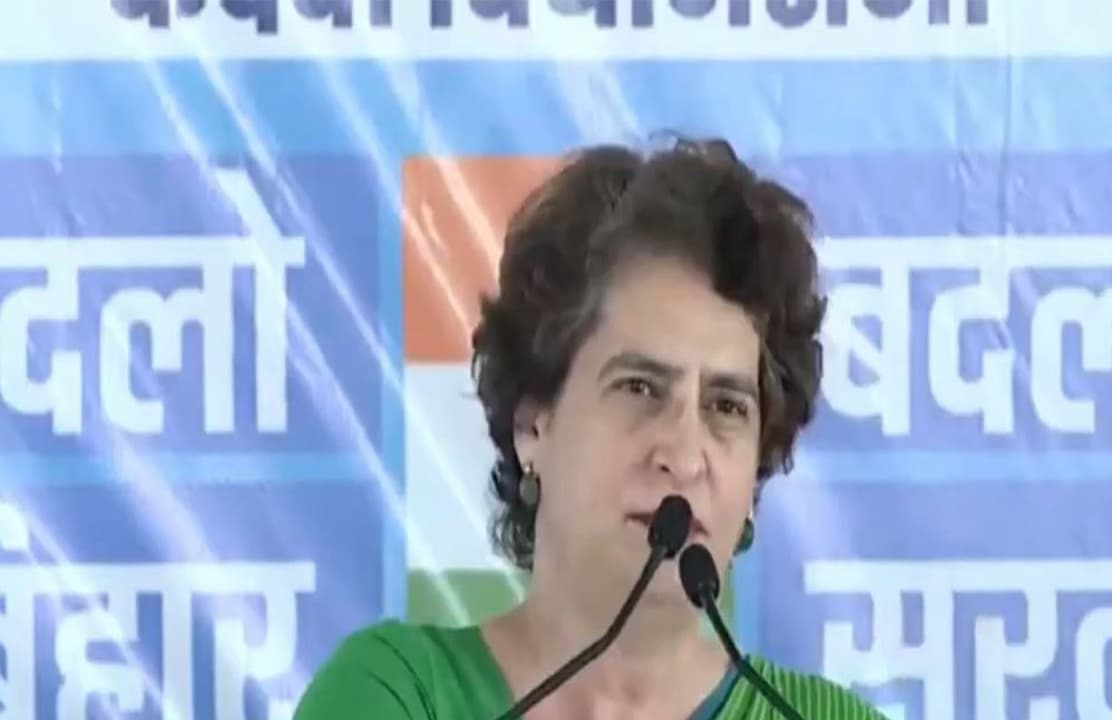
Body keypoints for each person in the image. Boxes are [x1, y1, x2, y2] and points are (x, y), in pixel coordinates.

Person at [292, 137, 888, 719]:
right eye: (640, 388)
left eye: (726, 406)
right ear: (533, 424)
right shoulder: (394, 693)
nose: (685, 456)